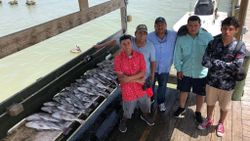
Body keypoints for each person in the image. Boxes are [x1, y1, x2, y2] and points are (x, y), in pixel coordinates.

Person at [198, 17, 246, 137]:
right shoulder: (213, 42)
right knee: (210, 102)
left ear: (236, 30)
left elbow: (237, 66)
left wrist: (215, 62)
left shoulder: (239, 46)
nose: (227, 32)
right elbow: (204, 61)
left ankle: (221, 123)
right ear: (221, 28)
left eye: (230, 29)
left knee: (224, 106)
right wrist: (227, 65)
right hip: (211, 82)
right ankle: (208, 119)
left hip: (228, 84)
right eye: (225, 28)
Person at [95, 24, 156, 97]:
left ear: (147, 35)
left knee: (146, 95)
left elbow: (153, 61)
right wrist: (100, 46)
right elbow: (114, 41)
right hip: (130, 74)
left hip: (144, 76)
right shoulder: (129, 40)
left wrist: (152, 75)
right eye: (140, 33)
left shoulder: (150, 46)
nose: (142, 35)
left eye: (144, 33)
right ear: (135, 33)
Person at [173, 15, 213, 123]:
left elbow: (213, 53)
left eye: (195, 25)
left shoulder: (208, 37)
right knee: (183, 90)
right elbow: (177, 55)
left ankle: (198, 112)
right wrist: (179, 69)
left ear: (200, 25)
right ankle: (181, 107)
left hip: (201, 72)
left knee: (200, 94)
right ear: (187, 25)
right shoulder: (181, 38)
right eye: (190, 25)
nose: (193, 28)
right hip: (185, 70)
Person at [114, 34, 155, 133]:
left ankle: (144, 116)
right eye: (124, 44)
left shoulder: (140, 56)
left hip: (142, 88)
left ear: (131, 43)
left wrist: (129, 78)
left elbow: (143, 72)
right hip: (128, 91)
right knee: (128, 111)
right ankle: (123, 121)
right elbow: (121, 79)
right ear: (121, 46)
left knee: (145, 106)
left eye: (128, 43)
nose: (126, 46)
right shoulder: (118, 59)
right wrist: (137, 80)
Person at [148, 17, 177, 112]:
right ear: (154, 26)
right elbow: (138, 41)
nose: (160, 27)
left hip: (165, 67)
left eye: (162, 24)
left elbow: (185, 33)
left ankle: (161, 103)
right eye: (158, 25)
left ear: (166, 25)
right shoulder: (149, 36)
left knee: (162, 86)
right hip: (152, 68)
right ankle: (150, 100)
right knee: (150, 85)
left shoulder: (174, 35)